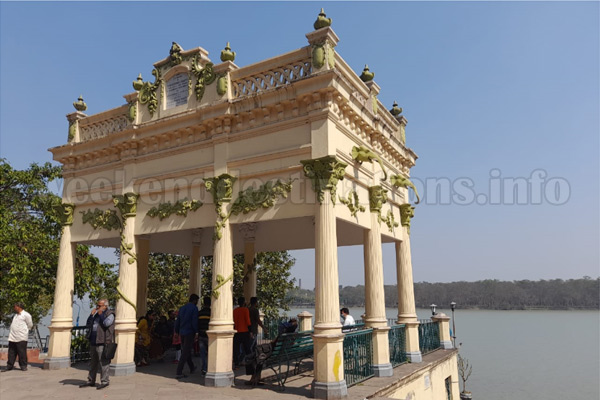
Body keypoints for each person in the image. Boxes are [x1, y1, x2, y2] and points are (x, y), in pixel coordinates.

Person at [79, 299, 115, 390]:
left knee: (103, 362)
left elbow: (106, 324)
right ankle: (91, 380)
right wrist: (91, 315)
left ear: (105, 306)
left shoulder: (110, 314)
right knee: (93, 362)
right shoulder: (96, 314)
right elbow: (88, 324)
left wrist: (101, 314)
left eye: (99, 305)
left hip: (103, 342)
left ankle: (104, 381)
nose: (97, 307)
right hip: (93, 341)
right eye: (97, 305)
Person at [3, 302, 33, 372]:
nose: (14, 308)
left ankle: (23, 366)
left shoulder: (26, 315)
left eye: (15, 306)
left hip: (21, 336)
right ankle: (9, 365)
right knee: (11, 352)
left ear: (19, 307)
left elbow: (30, 325)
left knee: (21, 352)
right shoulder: (15, 315)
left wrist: (24, 331)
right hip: (13, 337)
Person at [175, 294, 199, 379]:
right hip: (190, 332)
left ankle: (192, 367)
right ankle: (179, 371)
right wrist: (196, 332)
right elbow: (194, 321)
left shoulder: (182, 308)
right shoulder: (194, 308)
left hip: (182, 332)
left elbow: (178, 321)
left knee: (186, 350)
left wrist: (176, 331)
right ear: (195, 300)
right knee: (185, 352)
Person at [232, 296, 252, 367]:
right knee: (247, 348)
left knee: (236, 349)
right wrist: (250, 331)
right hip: (245, 331)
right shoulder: (245, 310)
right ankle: (249, 362)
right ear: (244, 303)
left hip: (237, 331)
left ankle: (236, 363)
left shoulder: (235, 311)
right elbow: (248, 321)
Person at [197, 296, 211, 374]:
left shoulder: (200, 313)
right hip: (209, 335)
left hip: (201, 335)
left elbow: (197, 323)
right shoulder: (212, 312)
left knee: (202, 354)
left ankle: (203, 369)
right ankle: (210, 368)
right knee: (210, 353)